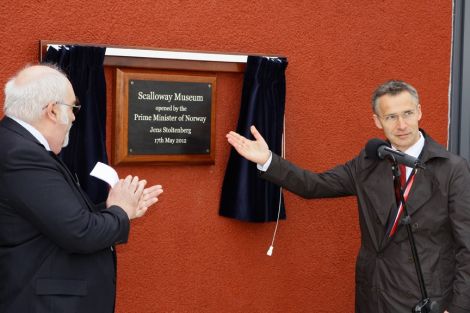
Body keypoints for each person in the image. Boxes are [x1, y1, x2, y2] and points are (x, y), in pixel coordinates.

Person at [226, 80, 470, 313]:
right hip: (374, 296)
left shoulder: (452, 169)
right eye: (391, 117)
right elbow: (314, 185)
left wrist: (457, 308)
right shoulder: (368, 163)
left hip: (426, 300)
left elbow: (467, 247)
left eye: (407, 113)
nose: (401, 125)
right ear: (377, 121)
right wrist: (268, 161)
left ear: (419, 112)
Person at [0, 64, 163, 313]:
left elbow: (57, 220)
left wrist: (116, 210)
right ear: (53, 111)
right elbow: (80, 233)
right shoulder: (22, 155)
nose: (75, 117)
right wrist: (119, 210)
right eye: (73, 107)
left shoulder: (18, 145)